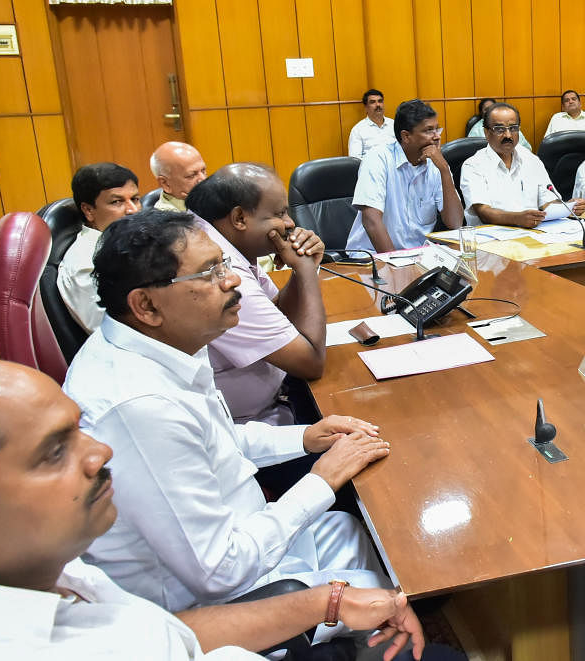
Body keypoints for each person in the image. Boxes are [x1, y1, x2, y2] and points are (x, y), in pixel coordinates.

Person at [64, 211, 395, 634]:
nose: (233, 280)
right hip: (213, 605)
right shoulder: (138, 406)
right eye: (209, 273)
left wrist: (306, 438)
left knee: (348, 530)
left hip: (246, 532)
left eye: (225, 265)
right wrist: (321, 480)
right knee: (384, 598)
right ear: (145, 305)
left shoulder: (166, 339)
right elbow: (220, 572)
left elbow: (216, 438)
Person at [0, 359, 427, 660]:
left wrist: (328, 600)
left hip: (221, 587)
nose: (100, 451)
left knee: (348, 533)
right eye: (54, 452)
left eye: (78, 429)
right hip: (223, 580)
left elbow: (172, 631)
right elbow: (216, 577)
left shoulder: (58, 574)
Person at [182, 164, 327, 426]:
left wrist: (299, 270)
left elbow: (278, 314)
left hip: (270, 406)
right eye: (280, 213)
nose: (290, 223)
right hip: (248, 430)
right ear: (239, 218)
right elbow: (311, 363)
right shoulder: (219, 268)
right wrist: (306, 270)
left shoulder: (217, 239)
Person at [348, 99, 463, 253]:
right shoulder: (378, 158)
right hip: (374, 258)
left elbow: (455, 223)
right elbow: (371, 221)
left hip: (419, 256)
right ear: (406, 136)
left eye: (437, 129)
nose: (436, 137)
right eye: (429, 130)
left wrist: (444, 170)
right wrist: (397, 265)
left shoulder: (436, 165)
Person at [459, 102, 585, 228]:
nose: (508, 135)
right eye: (499, 129)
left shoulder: (531, 159)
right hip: (490, 240)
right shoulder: (473, 165)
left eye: (513, 128)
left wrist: (568, 208)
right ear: (486, 132)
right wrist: (517, 219)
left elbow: (548, 201)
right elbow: (484, 213)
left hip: (532, 235)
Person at [58, 163, 142, 334]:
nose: (133, 210)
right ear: (88, 210)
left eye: (134, 199)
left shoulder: (132, 242)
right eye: (117, 202)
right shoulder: (84, 262)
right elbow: (108, 331)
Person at [150, 142, 208, 212]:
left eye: (203, 171)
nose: (203, 179)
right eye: (191, 175)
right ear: (165, 183)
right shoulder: (166, 220)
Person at [347, 89, 395, 159]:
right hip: (372, 168)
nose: (378, 105)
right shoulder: (358, 130)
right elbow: (355, 159)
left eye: (380, 101)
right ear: (366, 107)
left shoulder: (394, 124)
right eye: (372, 102)